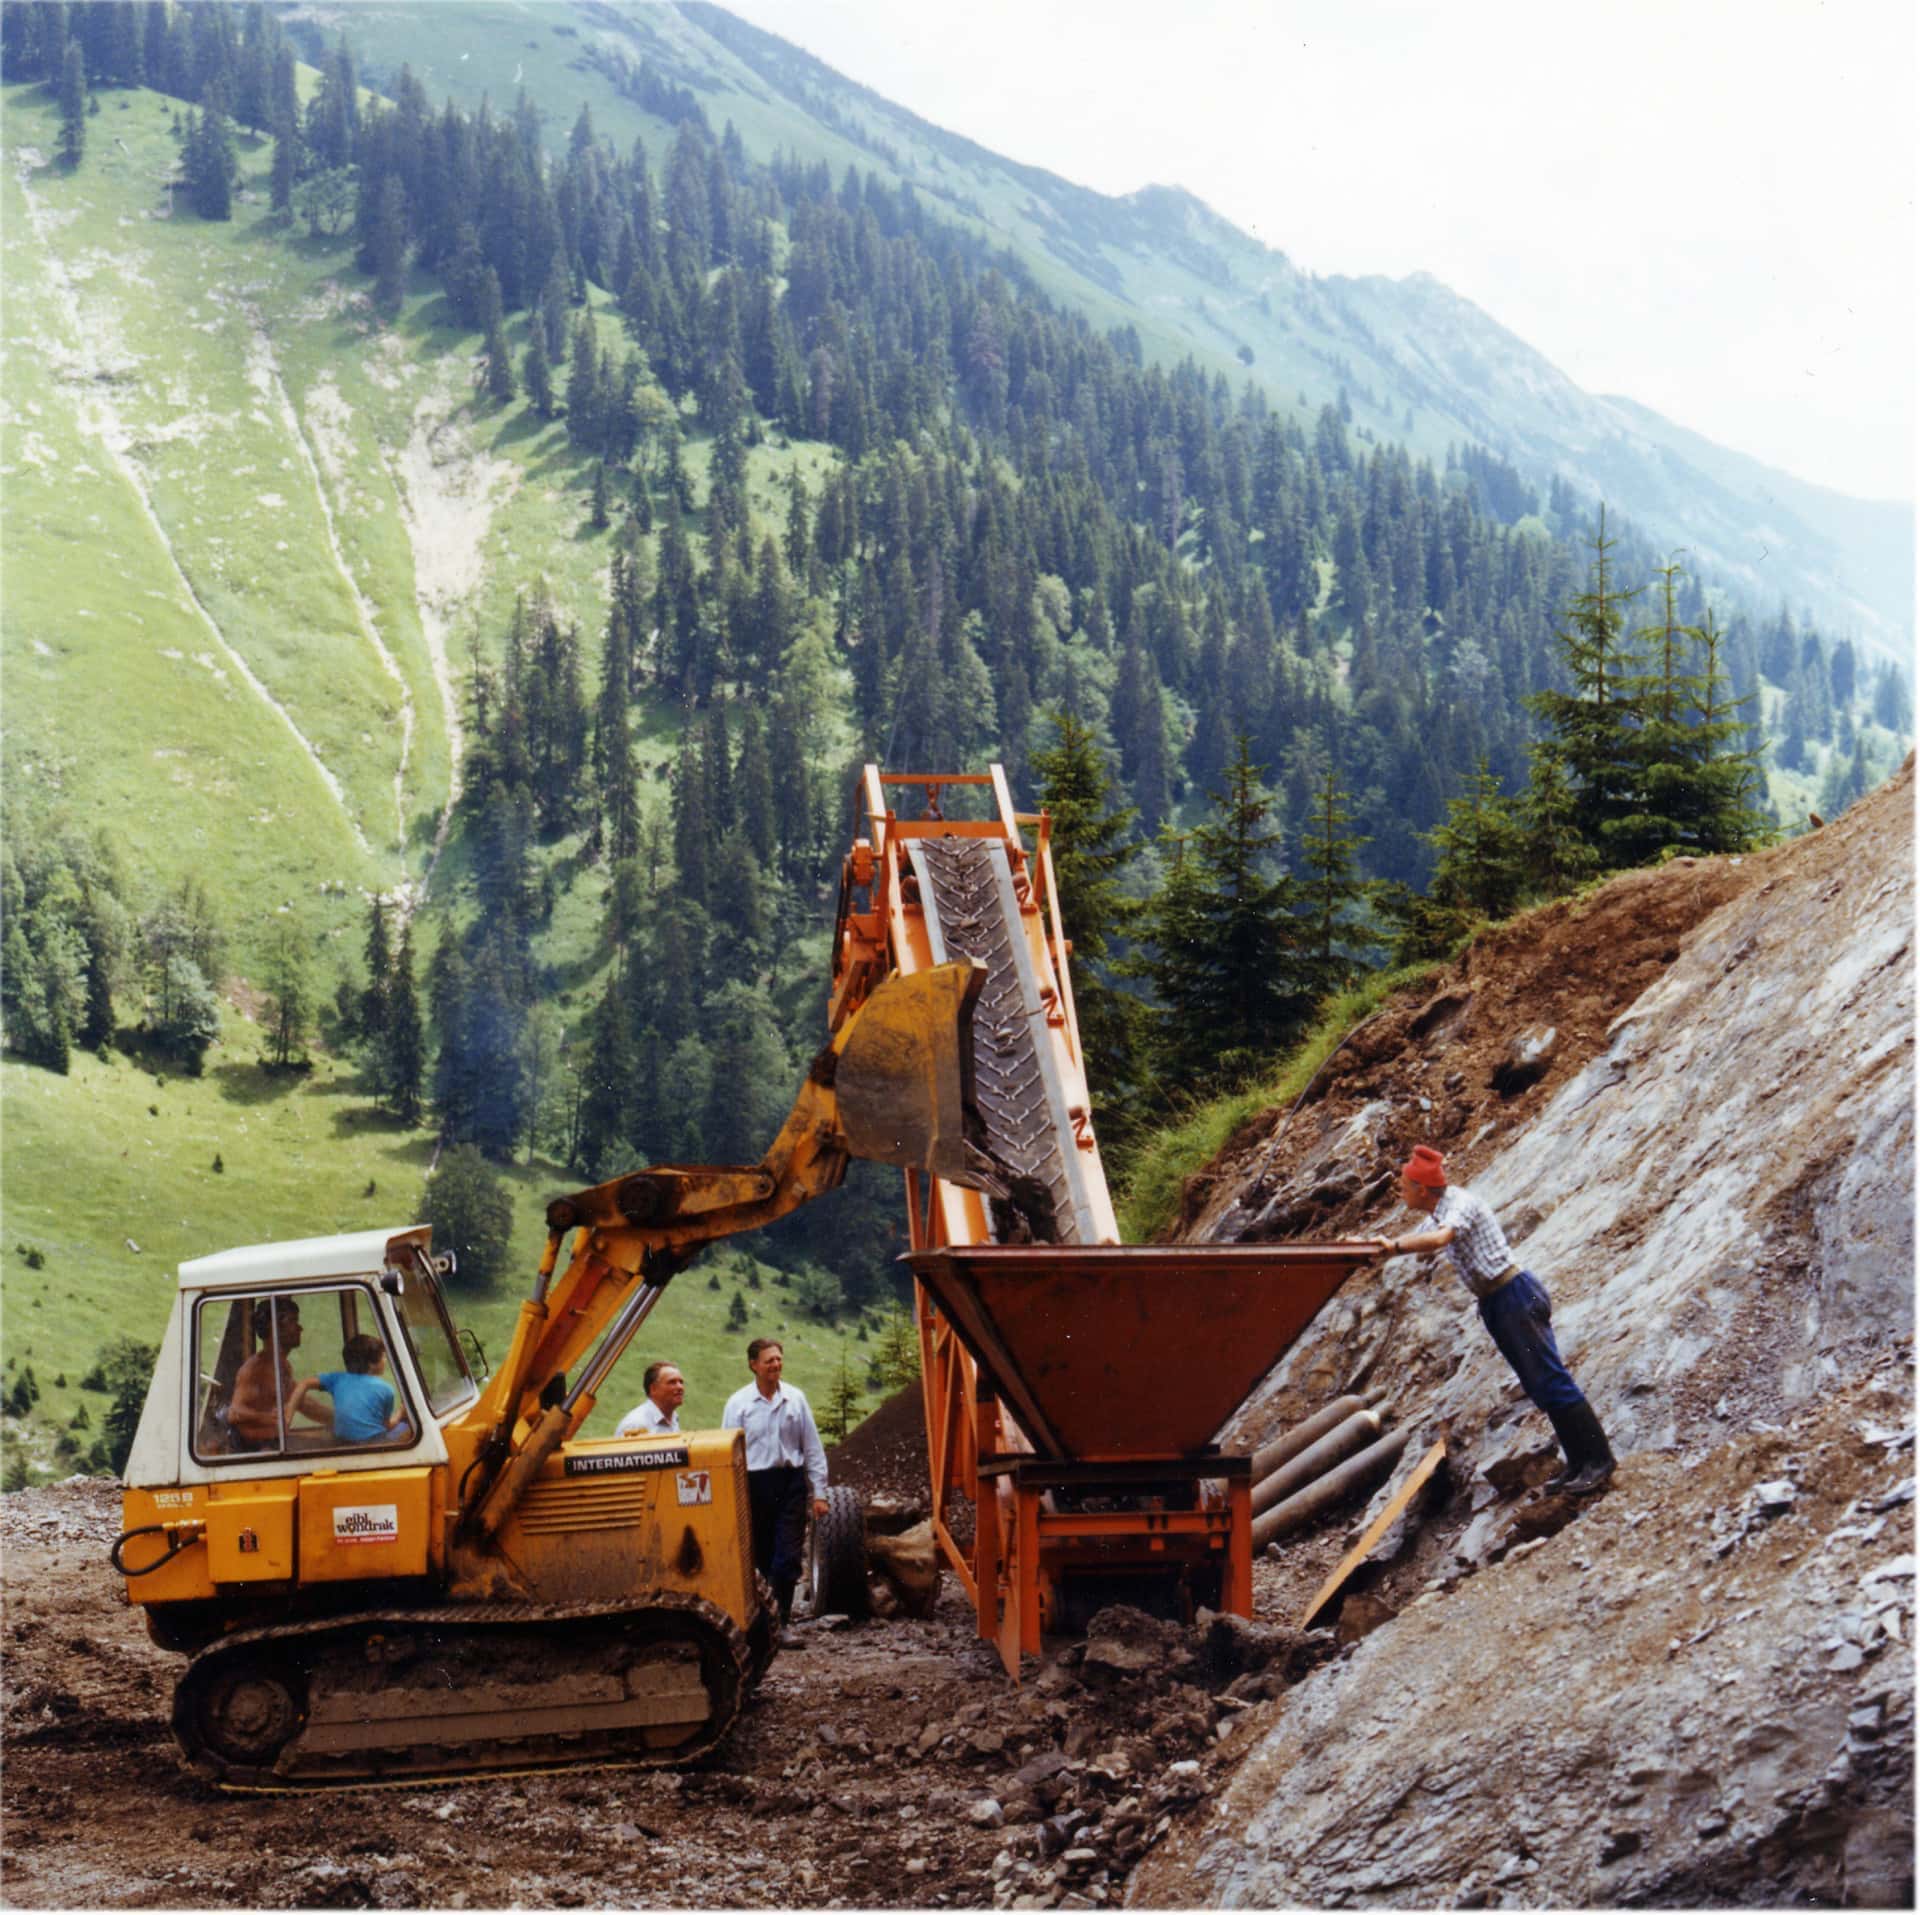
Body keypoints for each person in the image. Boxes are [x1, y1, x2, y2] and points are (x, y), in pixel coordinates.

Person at [1363, 1145, 1615, 1496]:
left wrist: (1393, 1247)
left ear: (1422, 1189)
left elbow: (1437, 1240)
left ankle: (1599, 1461)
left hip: (1514, 1294)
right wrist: (1367, 1248)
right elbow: (1412, 1239)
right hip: (1497, 1301)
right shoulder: (1438, 1211)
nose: (1399, 1191)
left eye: (1404, 1185)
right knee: (1540, 1386)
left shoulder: (1459, 1205)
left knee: (1552, 1379)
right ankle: (1578, 1463)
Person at [722, 1338, 829, 1625]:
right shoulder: (738, 1404)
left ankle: (781, 1622)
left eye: (779, 1359)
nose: (776, 1365)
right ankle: (760, 1623)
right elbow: (728, 1452)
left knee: (788, 1557)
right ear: (753, 1365)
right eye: (769, 1360)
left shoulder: (795, 1398)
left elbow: (812, 1447)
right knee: (760, 1557)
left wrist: (820, 1492)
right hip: (754, 1485)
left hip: (790, 1483)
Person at [289, 1334, 407, 1444]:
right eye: (383, 1357)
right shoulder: (386, 1389)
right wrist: (401, 1412)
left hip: (342, 1440)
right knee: (409, 1428)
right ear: (372, 1364)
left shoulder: (337, 1379)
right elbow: (387, 1426)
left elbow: (304, 1383)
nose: (385, 1361)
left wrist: (287, 1417)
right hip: (372, 1443)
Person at [227, 1297, 307, 1447]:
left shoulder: (282, 1366)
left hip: (276, 1444)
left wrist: (337, 1418)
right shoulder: (256, 1369)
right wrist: (269, 1418)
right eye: (293, 1321)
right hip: (260, 1450)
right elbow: (234, 1413)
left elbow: (303, 1402)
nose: (300, 1328)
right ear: (275, 1327)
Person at [615, 1361, 685, 1436]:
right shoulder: (635, 1424)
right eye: (672, 1382)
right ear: (653, 1389)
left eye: (681, 1382)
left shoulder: (673, 1418)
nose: (680, 1387)